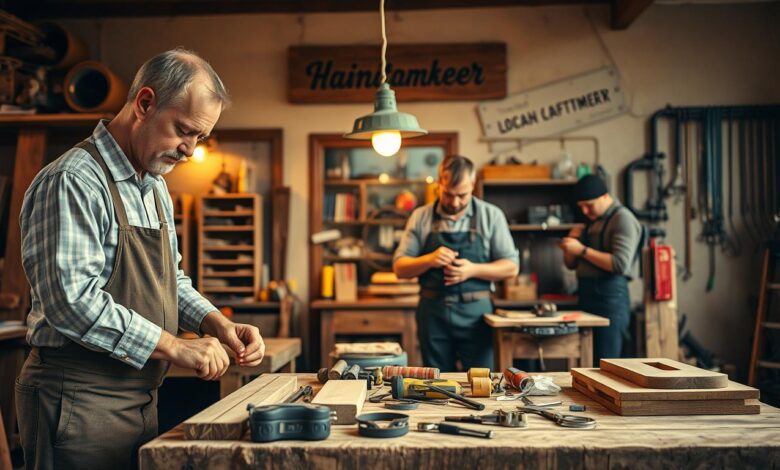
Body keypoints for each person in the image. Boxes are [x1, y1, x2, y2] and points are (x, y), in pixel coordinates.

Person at [15, 48, 265, 470]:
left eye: (200, 138)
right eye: (183, 130)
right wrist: (175, 347)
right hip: (78, 398)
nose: (189, 150)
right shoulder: (74, 180)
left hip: (140, 396)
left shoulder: (152, 186)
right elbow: (71, 302)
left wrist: (217, 324)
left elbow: (172, 281)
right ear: (145, 103)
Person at [393, 155, 519, 370]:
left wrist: (473, 270)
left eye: (462, 195)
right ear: (439, 184)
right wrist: (428, 259)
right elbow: (399, 268)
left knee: (480, 382)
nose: (454, 202)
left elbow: (511, 267)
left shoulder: (491, 215)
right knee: (436, 385)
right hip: (433, 313)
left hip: (477, 314)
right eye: (448, 195)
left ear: (473, 184)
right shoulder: (420, 217)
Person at [558, 174, 642, 363]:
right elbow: (571, 265)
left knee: (607, 362)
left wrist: (582, 250)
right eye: (581, 207)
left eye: (589, 205)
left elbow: (620, 264)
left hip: (610, 300)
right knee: (588, 362)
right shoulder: (593, 221)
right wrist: (570, 247)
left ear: (605, 196)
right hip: (587, 296)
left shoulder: (623, 219)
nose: (585, 211)